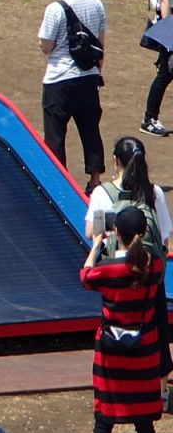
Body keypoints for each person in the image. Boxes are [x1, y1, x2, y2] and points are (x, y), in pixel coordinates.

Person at [78, 206, 163, 433]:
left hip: (111, 356)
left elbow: (85, 276)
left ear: (117, 233)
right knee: (145, 424)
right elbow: (152, 255)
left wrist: (97, 244)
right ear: (143, 233)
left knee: (103, 423)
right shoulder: (155, 267)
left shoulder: (109, 270)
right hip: (144, 351)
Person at [84, 136, 173, 386]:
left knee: (117, 326)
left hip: (118, 274)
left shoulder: (103, 192)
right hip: (150, 274)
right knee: (157, 329)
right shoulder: (154, 192)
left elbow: (91, 232)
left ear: (115, 161)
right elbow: (164, 235)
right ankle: (160, 389)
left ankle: (120, 381)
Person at [38, 0, 106, 192]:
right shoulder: (95, 2)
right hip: (88, 77)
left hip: (59, 80)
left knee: (55, 134)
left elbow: (46, 46)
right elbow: (100, 43)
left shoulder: (55, 9)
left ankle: (59, 183)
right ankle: (96, 179)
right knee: (90, 130)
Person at [141, 0, 173, 136]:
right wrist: (169, 36)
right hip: (168, 25)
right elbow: (164, 2)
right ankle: (149, 118)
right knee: (165, 73)